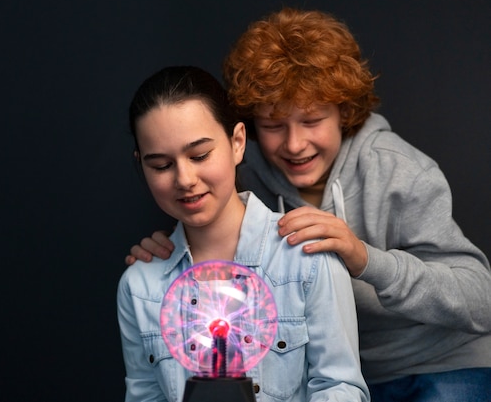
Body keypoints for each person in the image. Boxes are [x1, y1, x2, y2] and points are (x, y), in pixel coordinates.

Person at [124, 8, 491, 402]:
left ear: (344, 113)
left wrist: (365, 259)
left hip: (440, 362)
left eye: (312, 120)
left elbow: (481, 298)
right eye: (274, 125)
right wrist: (170, 254)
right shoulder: (247, 176)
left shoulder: (399, 172)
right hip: (340, 371)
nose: (294, 144)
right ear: (246, 135)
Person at [117, 65, 370, 402]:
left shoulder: (306, 259)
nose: (185, 178)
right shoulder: (139, 286)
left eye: (200, 155)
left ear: (237, 142)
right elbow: (145, 395)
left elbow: (341, 387)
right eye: (161, 165)